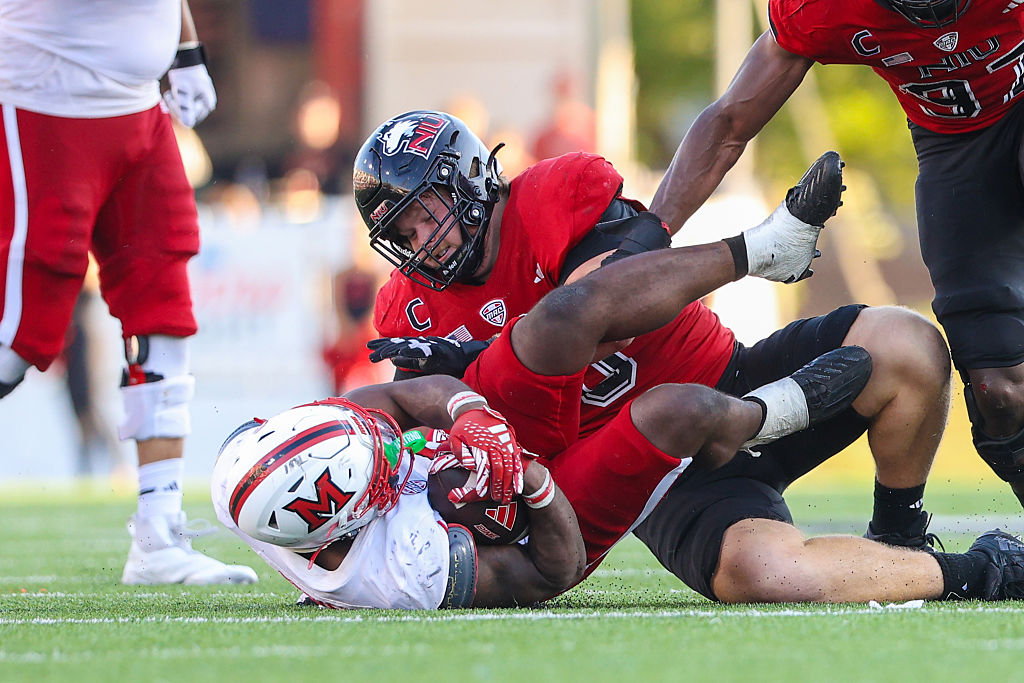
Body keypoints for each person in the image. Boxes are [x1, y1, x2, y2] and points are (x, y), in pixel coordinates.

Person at [215, 208, 1024, 608]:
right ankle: (981, 568)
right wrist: (530, 481)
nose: (397, 457)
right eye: (385, 471)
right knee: (763, 568)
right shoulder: (405, 571)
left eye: (381, 448)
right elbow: (550, 570)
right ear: (350, 522)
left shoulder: (277, 460)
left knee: (911, 345)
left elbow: (392, 399)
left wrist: (466, 407)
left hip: (723, 368)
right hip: (645, 474)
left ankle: (899, 530)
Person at [646, 0, 1024, 509]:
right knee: (1000, 394)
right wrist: (647, 237)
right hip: (955, 148)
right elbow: (731, 122)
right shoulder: (824, 8)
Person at [0, 0, 256, 585]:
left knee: (163, 306)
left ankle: (158, 533)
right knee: (16, 337)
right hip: (45, 100)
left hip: (139, 111)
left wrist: (186, 50)